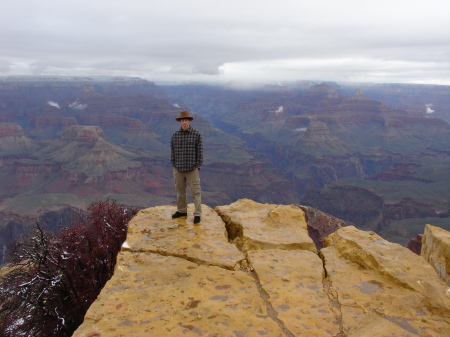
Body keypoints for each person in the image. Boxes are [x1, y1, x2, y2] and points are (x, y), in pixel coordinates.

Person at [171, 111, 203, 223]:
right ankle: (182, 211)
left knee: (195, 191)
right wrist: (174, 164)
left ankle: (197, 214)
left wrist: (197, 166)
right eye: (182, 120)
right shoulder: (175, 135)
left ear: (189, 121)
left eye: (186, 120)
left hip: (192, 169)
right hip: (178, 168)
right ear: (180, 121)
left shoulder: (196, 134)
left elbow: (200, 151)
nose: (184, 122)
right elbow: (172, 151)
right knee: (180, 191)